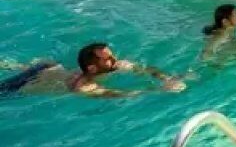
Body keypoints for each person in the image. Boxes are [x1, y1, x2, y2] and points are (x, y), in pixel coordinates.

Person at [2, 43, 184, 98]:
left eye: (112, 55)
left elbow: (146, 69)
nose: (115, 60)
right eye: (109, 59)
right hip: (29, 82)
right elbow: (115, 94)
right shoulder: (83, 85)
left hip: (51, 68)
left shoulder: (115, 65)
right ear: (92, 68)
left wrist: (167, 79)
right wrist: (159, 91)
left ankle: (9, 64)